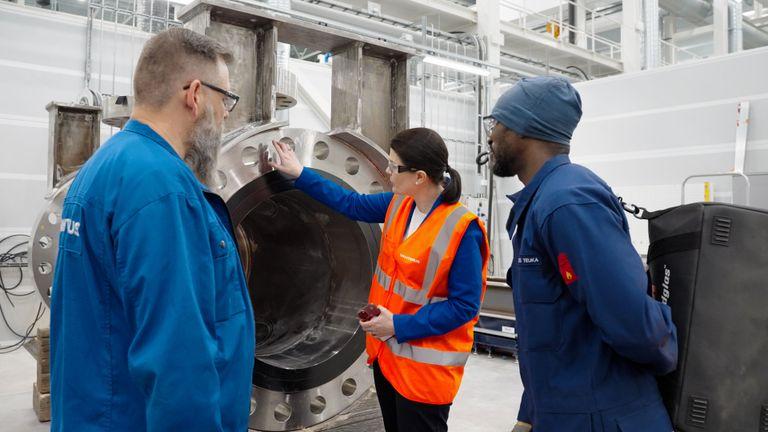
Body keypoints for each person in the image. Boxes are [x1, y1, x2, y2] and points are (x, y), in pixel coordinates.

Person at [50, 28, 254, 431]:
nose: (227, 114)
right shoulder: (162, 188)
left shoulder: (104, 165)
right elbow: (178, 359)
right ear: (195, 94)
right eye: (226, 99)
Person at [485, 76, 678, 432]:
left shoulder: (569, 203)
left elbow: (634, 325)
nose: (491, 135)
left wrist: (664, 362)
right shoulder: (540, 202)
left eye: (497, 123)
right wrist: (529, 415)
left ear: (524, 128)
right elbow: (553, 333)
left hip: (605, 417)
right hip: (562, 413)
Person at [270, 127, 489, 432]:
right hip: (388, 360)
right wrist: (300, 173)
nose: (387, 171)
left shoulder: (462, 230)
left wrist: (398, 326)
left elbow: (464, 307)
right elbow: (351, 204)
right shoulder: (401, 204)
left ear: (420, 177)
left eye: (394, 165)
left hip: (424, 374)